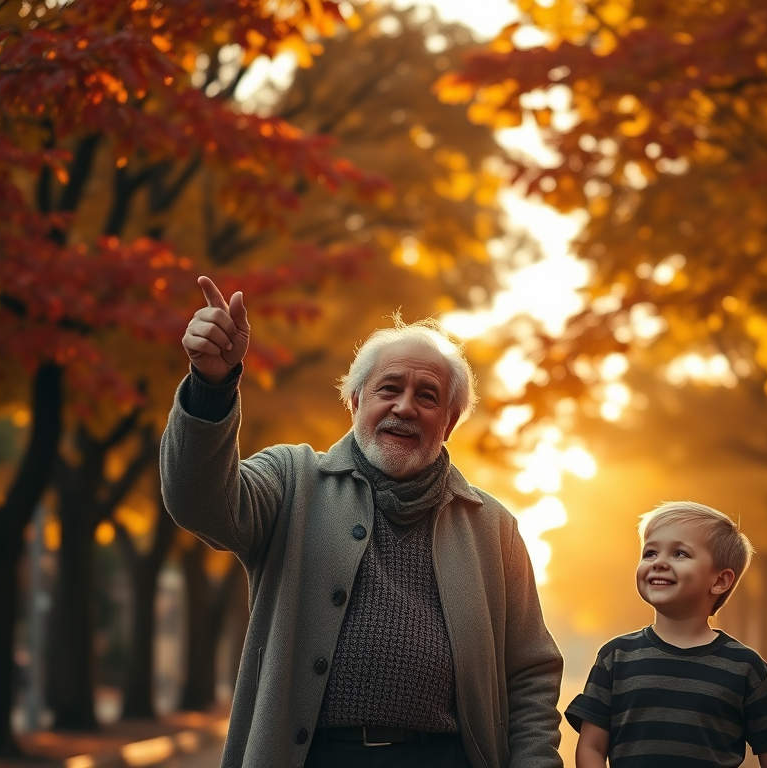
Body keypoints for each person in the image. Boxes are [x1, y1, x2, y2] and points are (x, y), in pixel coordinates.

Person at [160, 276, 563, 768]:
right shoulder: (292, 480)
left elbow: (531, 670)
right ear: (355, 403)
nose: (405, 406)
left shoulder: (492, 526)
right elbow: (200, 503)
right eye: (388, 389)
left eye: (428, 396)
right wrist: (211, 386)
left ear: (449, 422)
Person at [566, 501, 767, 768]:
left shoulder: (745, 667)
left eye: (679, 554)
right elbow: (591, 747)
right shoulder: (615, 657)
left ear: (720, 581)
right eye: (650, 553)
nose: (660, 563)